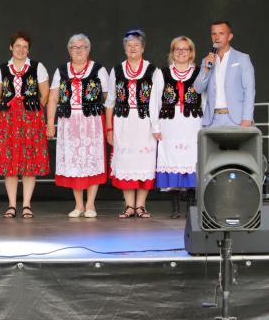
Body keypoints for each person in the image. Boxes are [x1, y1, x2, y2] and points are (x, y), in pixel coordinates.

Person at [46, 34, 109, 218]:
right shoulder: (61, 70)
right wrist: (50, 123)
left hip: (92, 121)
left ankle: (90, 204)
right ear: (69, 50)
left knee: (92, 160)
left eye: (82, 47)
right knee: (74, 161)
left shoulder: (98, 69)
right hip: (69, 122)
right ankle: (79, 204)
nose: (79, 50)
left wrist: (108, 122)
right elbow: (53, 98)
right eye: (74, 47)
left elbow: (108, 97)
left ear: (88, 50)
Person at [105, 29, 163, 219]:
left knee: (144, 162)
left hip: (145, 123)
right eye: (129, 45)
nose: (132, 48)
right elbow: (110, 102)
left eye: (136, 45)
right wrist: (109, 128)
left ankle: (141, 206)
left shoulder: (153, 71)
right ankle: (129, 205)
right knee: (126, 162)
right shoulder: (117, 70)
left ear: (143, 48)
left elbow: (157, 101)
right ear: (124, 48)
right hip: (122, 123)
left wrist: (156, 126)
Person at [0, 31, 49, 219]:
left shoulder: (37, 67)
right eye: (18, 46)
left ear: (28, 50)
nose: (21, 49)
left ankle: (26, 205)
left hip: (31, 118)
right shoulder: (1, 68)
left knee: (29, 161)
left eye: (25, 47)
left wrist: (34, 111)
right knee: (10, 162)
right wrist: (8, 109)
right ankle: (11, 204)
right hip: (8, 120)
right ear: (11, 47)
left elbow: (45, 94)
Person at [154, 36, 202, 218]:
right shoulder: (162, 73)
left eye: (185, 49)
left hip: (192, 123)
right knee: (171, 160)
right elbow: (154, 101)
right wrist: (155, 126)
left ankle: (191, 206)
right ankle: (175, 207)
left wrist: (206, 124)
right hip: (169, 123)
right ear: (172, 52)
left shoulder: (199, 73)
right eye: (177, 49)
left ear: (191, 53)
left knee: (191, 159)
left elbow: (205, 100)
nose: (181, 52)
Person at [194, 20, 255, 128]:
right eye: (214, 34)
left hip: (237, 120)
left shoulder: (242, 59)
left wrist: (247, 118)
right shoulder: (206, 60)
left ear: (230, 36)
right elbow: (198, 89)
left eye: (221, 33)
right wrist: (207, 69)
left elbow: (249, 90)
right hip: (212, 120)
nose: (217, 37)